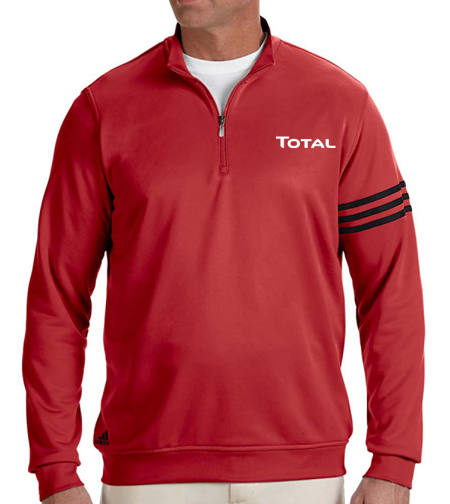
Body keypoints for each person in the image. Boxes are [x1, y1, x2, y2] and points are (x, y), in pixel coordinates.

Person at [22, 1, 425, 503]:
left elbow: (390, 291)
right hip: (147, 476)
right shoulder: (102, 109)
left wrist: (394, 461)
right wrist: (56, 469)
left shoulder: (341, 104)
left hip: (303, 473)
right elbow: (57, 299)